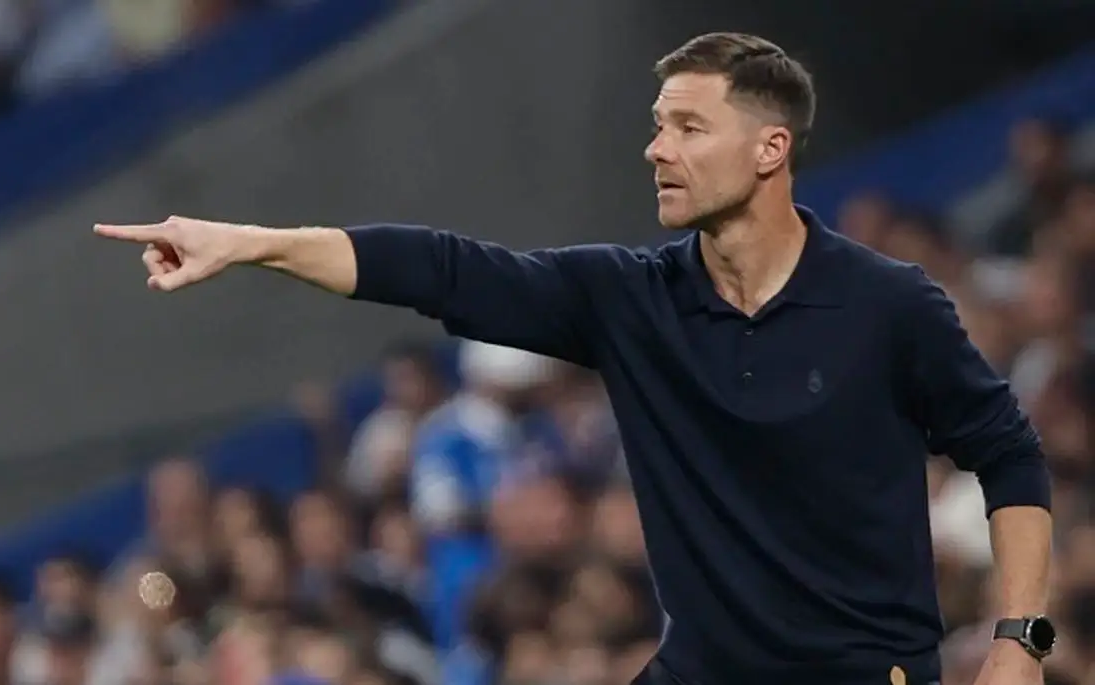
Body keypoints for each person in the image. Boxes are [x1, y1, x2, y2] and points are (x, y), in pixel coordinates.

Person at [95, 32, 1054, 685]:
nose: (656, 149)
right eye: (657, 125)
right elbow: (441, 269)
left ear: (770, 149)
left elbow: (1009, 455)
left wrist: (1018, 642)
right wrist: (251, 242)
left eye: (687, 127)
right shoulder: (629, 298)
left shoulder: (888, 304)